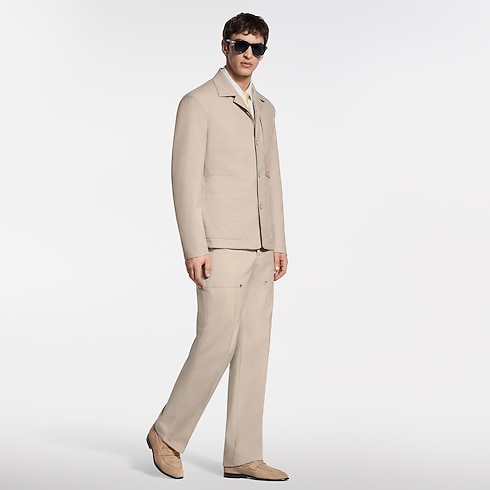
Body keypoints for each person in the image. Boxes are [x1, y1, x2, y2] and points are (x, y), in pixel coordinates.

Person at [146, 12, 289, 481]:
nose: (249, 54)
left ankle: (243, 454)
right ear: (224, 46)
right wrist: (194, 245)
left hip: (262, 246)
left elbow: (272, 177)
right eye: (241, 44)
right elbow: (184, 179)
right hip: (220, 244)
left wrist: (279, 241)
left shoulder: (266, 108)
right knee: (216, 341)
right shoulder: (198, 102)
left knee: (254, 347)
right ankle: (167, 433)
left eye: (257, 48)